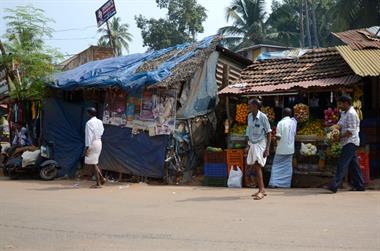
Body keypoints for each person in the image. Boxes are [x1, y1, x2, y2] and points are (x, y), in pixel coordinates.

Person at [327, 95, 364, 193]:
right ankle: (360, 185)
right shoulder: (344, 113)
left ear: (346, 103)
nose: (339, 106)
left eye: (340, 103)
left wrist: (338, 137)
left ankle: (334, 185)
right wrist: (333, 129)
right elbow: (340, 123)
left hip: (351, 141)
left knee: (342, 164)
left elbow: (350, 132)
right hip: (347, 142)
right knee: (354, 165)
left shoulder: (351, 114)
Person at [245, 98, 272, 200]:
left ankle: (261, 190)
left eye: (250, 105)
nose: (248, 107)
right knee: (255, 165)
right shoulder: (249, 116)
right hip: (252, 143)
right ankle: (262, 189)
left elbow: (269, 133)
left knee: (257, 165)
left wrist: (267, 149)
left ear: (255, 106)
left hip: (261, 143)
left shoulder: (263, 117)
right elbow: (248, 132)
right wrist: (248, 145)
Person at [269, 108, 297, 188]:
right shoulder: (293, 123)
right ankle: (286, 184)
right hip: (290, 149)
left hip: (281, 149)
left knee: (276, 166)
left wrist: (273, 138)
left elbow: (278, 137)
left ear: (283, 114)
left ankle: (274, 183)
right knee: (287, 167)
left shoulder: (281, 123)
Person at [85, 107, 106, 188]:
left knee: (93, 163)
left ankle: (99, 182)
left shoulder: (89, 123)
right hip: (99, 142)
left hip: (92, 143)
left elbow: (89, 136)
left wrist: (87, 147)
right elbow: (102, 131)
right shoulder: (100, 122)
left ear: (89, 114)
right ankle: (101, 179)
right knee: (94, 162)